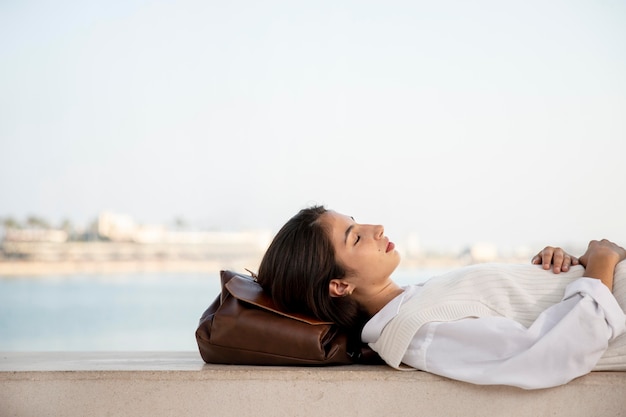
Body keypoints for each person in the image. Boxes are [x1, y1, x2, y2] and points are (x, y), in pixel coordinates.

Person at [257, 205, 626, 389]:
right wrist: (602, 264)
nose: (376, 228)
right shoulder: (416, 330)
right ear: (340, 286)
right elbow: (555, 354)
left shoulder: (418, 301)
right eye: (355, 237)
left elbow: (516, 306)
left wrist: (554, 271)